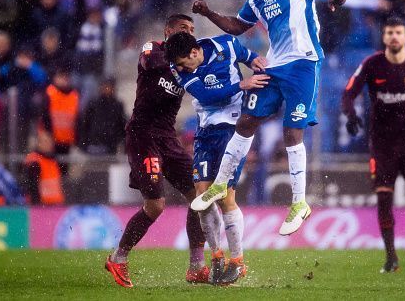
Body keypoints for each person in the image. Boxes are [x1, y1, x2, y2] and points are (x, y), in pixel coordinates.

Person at [189, 0, 347, 236]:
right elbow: (237, 26)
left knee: (292, 131)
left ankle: (299, 203)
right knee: (247, 121)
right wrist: (208, 12)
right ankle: (221, 183)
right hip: (274, 66)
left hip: (304, 63)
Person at [104, 14, 208, 288]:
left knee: (200, 195)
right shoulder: (153, 49)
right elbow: (152, 62)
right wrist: (184, 62)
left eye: (192, 30)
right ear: (168, 30)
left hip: (167, 137)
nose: (188, 33)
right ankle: (118, 257)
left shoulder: (191, 65)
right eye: (183, 28)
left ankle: (197, 266)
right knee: (156, 205)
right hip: (143, 134)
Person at [342, 16, 405, 273]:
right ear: (384, 36)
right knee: (384, 199)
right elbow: (348, 93)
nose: (394, 37)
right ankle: (391, 259)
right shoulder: (372, 64)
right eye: (389, 33)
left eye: (399, 32)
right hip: (382, 144)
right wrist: (352, 115)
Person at [165, 31, 269, 285]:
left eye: (182, 63)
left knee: (225, 196)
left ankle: (238, 262)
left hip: (233, 130)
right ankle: (217, 255)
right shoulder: (178, 67)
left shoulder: (227, 44)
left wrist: (256, 59)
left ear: (194, 52)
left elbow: (248, 56)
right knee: (202, 197)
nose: (178, 68)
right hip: (205, 132)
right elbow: (208, 96)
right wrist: (240, 84)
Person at [40, 68, 80, 176]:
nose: (64, 80)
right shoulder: (50, 93)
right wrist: (48, 135)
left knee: (63, 173)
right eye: (61, 77)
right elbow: (44, 116)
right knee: (51, 171)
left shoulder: (74, 95)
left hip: (67, 141)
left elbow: (77, 119)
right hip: (51, 141)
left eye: (66, 77)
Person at [78, 77, 126, 155]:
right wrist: (83, 144)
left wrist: (121, 142)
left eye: (110, 86)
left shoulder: (117, 105)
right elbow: (85, 124)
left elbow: (121, 125)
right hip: (93, 145)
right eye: (105, 86)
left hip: (110, 146)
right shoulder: (93, 104)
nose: (107, 89)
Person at [22, 130, 65, 205]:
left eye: (49, 142)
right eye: (45, 142)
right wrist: (36, 203)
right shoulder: (34, 161)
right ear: (39, 143)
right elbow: (32, 186)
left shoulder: (52, 159)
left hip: (56, 204)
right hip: (42, 205)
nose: (48, 145)